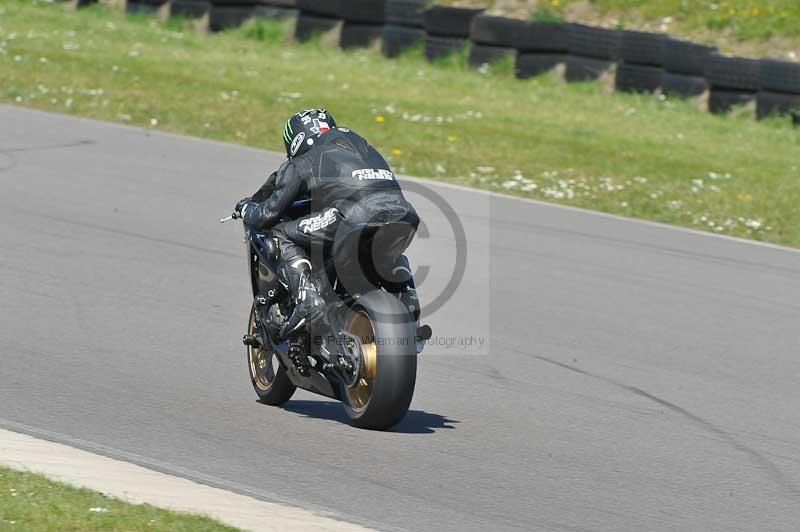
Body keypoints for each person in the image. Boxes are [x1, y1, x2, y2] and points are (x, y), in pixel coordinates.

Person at [235, 109, 420, 340]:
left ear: (295, 141)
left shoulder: (303, 161)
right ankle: (408, 299)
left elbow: (268, 212)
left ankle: (307, 300)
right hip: (404, 213)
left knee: (280, 233)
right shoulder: (362, 147)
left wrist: (245, 209)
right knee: (386, 252)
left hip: (354, 215)